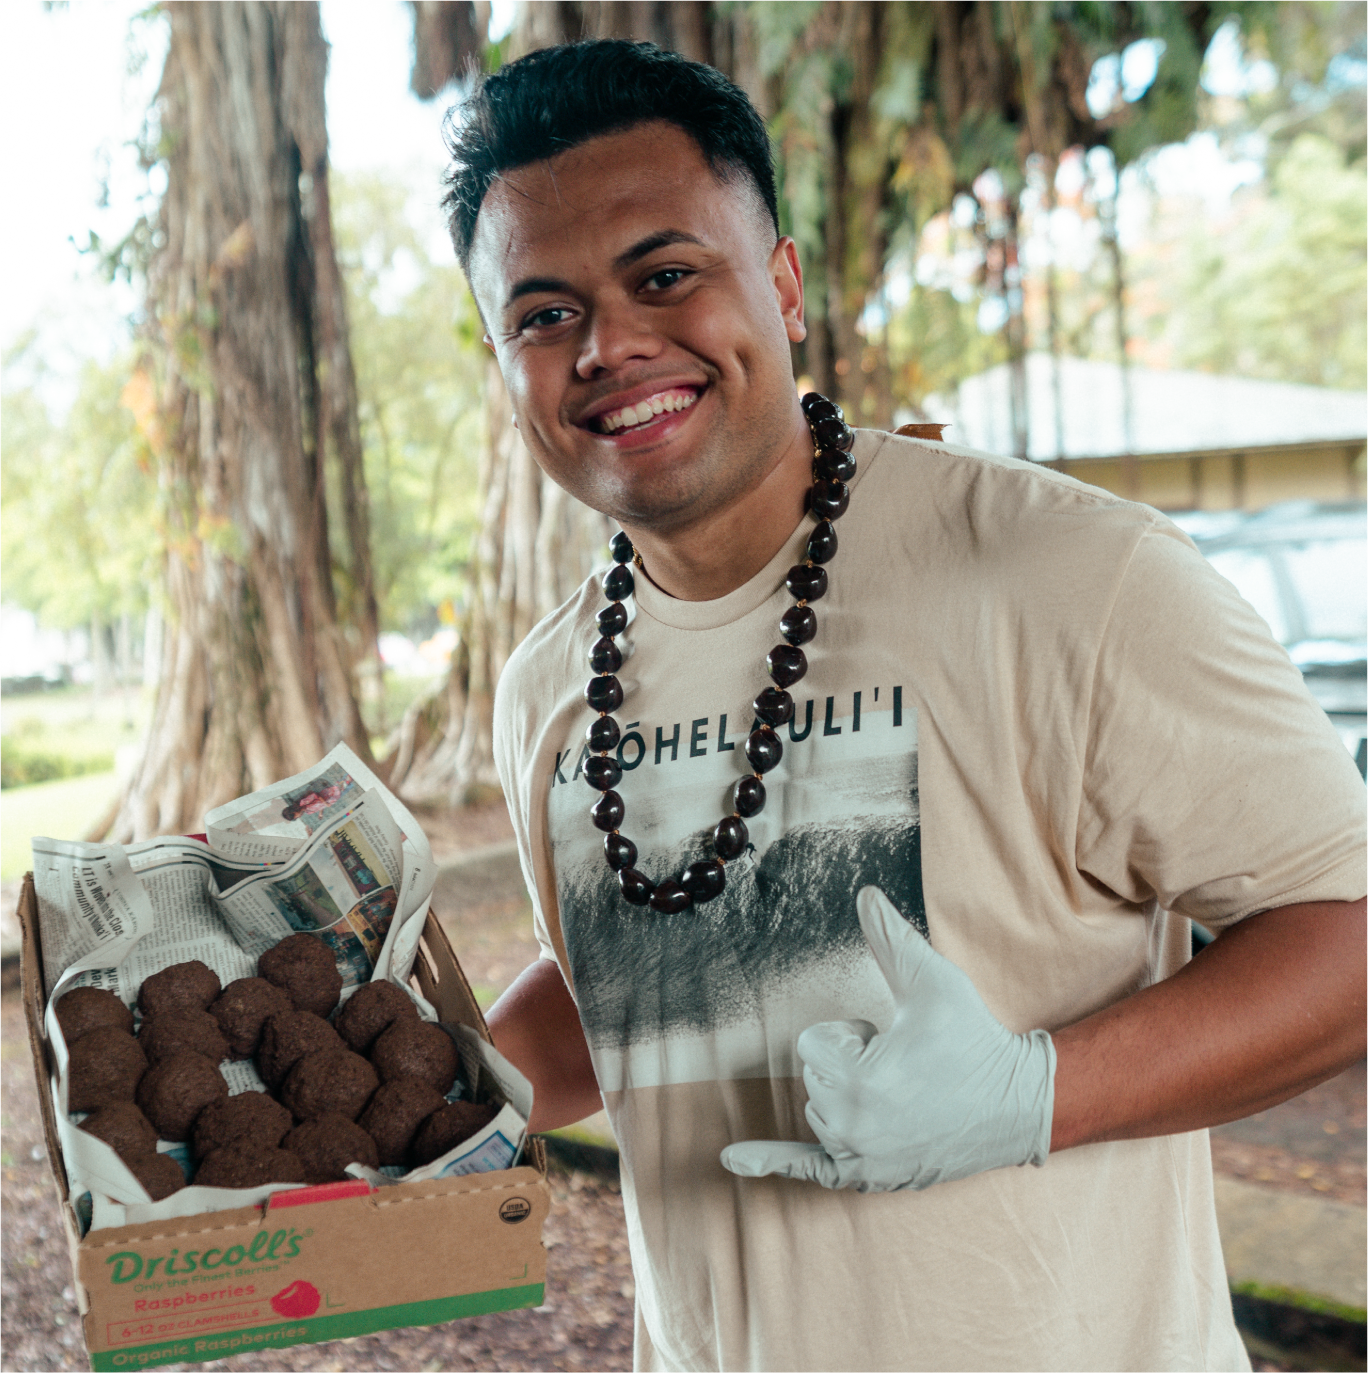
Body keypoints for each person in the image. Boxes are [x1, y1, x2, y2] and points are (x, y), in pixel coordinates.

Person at [442, 39, 1368, 1373]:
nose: (610, 345)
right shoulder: (549, 681)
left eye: (663, 275)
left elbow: (1346, 939)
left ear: (782, 284)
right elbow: (630, 989)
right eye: (541, 314)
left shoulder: (1072, 578)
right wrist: (401, 1099)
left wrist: (1032, 1098)